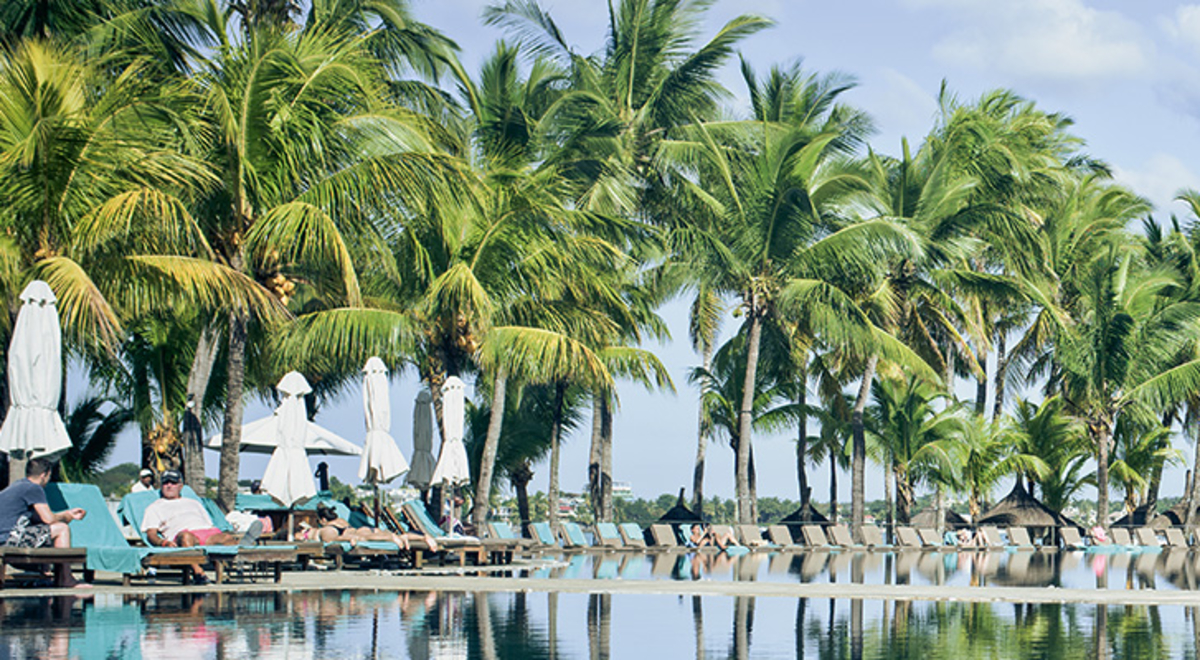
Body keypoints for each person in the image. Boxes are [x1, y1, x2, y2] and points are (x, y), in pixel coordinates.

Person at [142, 470, 262, 585]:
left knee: (226, 537)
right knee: (186, 538)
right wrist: (163, 543)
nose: (169, 486)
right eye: (165, 483)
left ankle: (238, 554)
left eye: (173, 482)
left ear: (180, 486)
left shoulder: (194, 503)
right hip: (184, 535)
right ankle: (199, 573)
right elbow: (151, 533)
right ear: (161, 486)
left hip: (206, 532)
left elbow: (209, 524)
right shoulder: (155, 507)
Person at [0, 458, 89, 587]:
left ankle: (46, 575)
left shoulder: (17, 486)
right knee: (62, 529)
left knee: (43, 531)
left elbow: (41, 519)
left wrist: (67, 514)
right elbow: (49, 519)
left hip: (4, 537)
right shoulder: (34, 488)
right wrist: (67, 516)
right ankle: (66, 578)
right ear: (44, 475)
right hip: (10, 540)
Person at [299, 502, 438, 552]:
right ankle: (419, 536)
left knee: (372, 536)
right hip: (356, 529)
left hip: (351, 535)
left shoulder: (324, 529)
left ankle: (396, 538)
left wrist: (348, 540)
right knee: (378, 533)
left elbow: (333, 541)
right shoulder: (340, 520)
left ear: (323, 520)